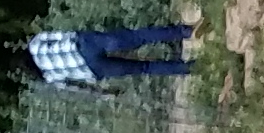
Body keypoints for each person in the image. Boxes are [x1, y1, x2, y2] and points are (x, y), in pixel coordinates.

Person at [28, 23, 199, 86]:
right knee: (136, 37)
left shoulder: (46, 76)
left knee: (143, 68)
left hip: (94, 69)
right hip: (84, 46)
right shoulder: (34, 45)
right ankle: (185, 31)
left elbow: (73, 86)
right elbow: (61, 36)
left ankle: (190, 67)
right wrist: (79, 35)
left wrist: (102, 92)